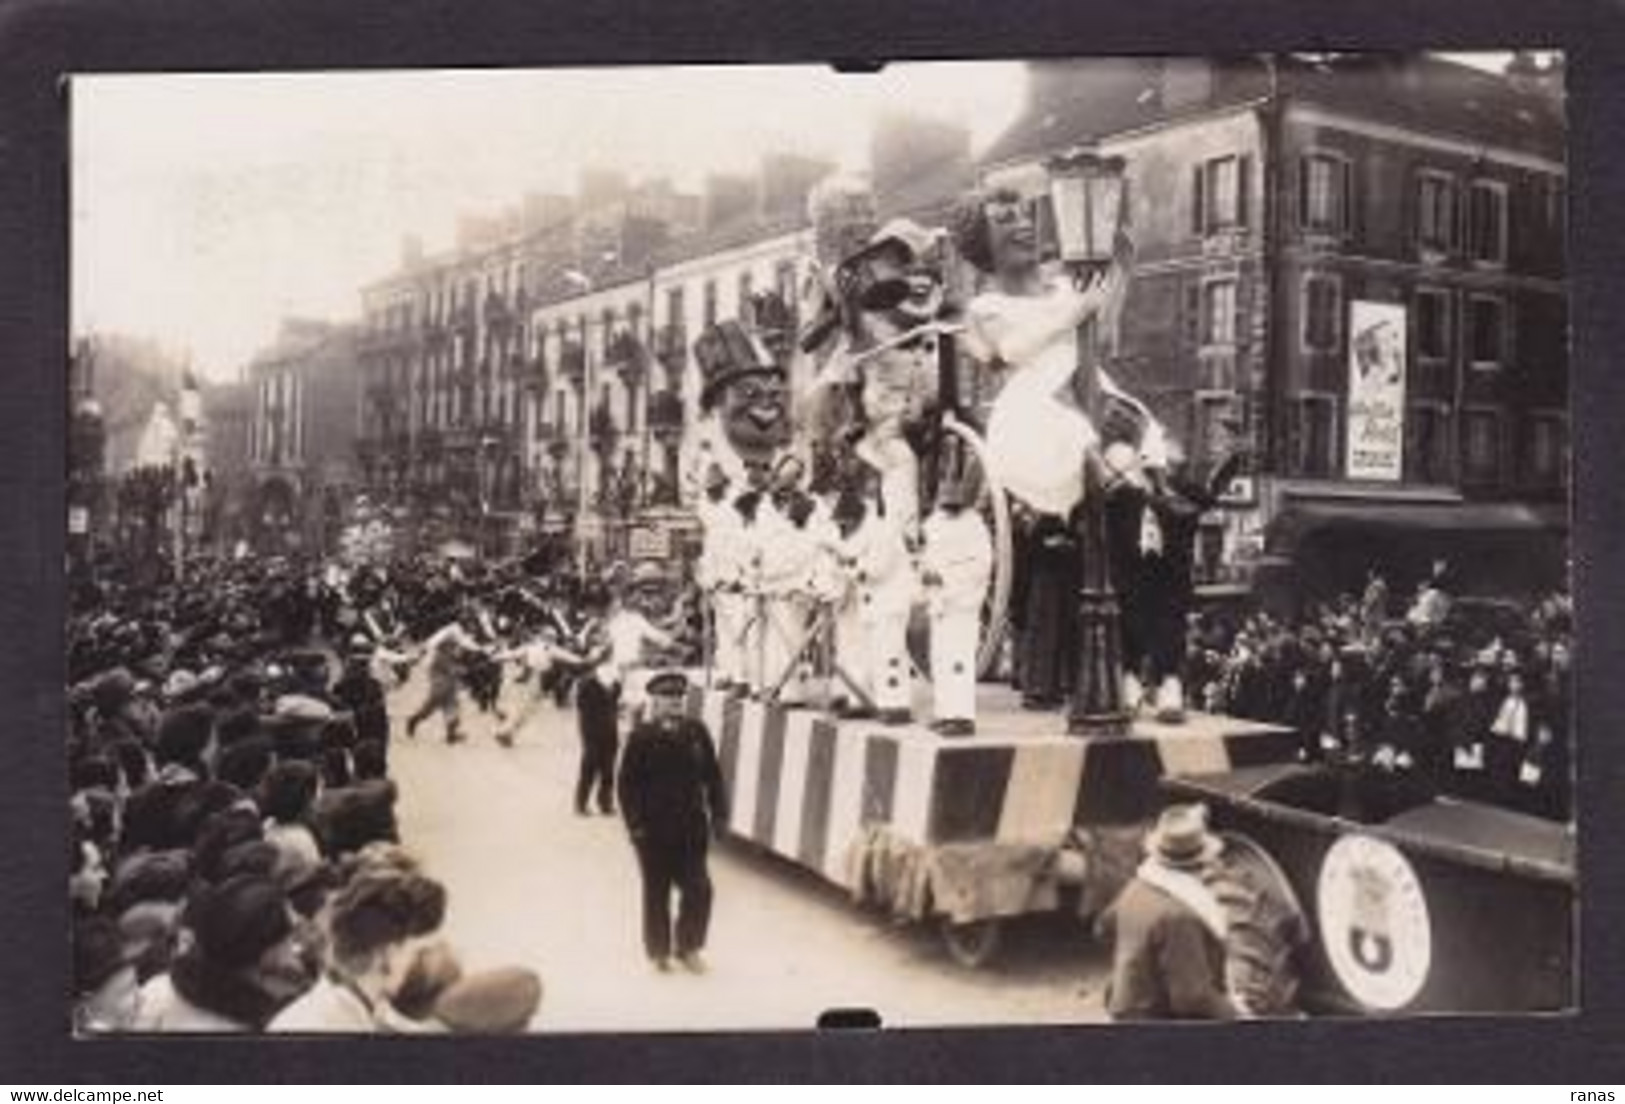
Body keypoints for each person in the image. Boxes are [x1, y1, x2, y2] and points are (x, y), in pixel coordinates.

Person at [616, 671, 728, 974]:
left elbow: (713, 777)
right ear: (655, 701)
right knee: (656, 891)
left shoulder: (696, 732)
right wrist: (635, 826)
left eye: (679, 698)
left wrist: (718, 816)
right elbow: (626, 785)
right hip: (652, 832)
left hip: (691, 829)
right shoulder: (641, 736)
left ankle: (688, 947)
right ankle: (659, 952)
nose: (674, 703)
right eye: (667, 698)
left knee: (700, 889)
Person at [1094, 804, 1238, 1021]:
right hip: (1155, 1022)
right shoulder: (1180, 914)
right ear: (1200, 863)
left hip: (1125, 1007)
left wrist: (1137, 961)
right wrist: (1238, 1014)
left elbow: (1102, 929)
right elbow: (1192, 998)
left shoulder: (1136, 887)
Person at [268, 868, 449, 1033]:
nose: (425, 965)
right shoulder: (320, 1028)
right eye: (419, 952)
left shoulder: (352, 1002)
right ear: (387, 954)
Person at [918, 475, 993, 735]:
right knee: (939, 658)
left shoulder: (974, 526)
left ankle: (961, 716)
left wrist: (946, 576)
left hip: (962, 603)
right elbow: (922, 555)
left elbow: (981, 566)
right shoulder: (933, 523)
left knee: (958, 660)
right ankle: (944, 711)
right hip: (938, 601)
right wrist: (925, 574)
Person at [404, 614, 486, 745]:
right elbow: (456, 662)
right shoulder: (448, 640)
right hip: (440, 676)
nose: (472, 627)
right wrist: (475, 660)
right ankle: (413, 720)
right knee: (432, 704)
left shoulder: (454, 639)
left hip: (449, 675)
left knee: (452, 704)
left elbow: (464, 646)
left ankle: (451, 735)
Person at [574, 662, 623, 817]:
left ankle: (605, 803)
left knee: (608, 771)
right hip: (592, 734)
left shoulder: (615, 684)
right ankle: (581, 803)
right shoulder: (586, 685)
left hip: (610, 733)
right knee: (589, 768)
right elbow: (581, 707)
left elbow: (615, 703)